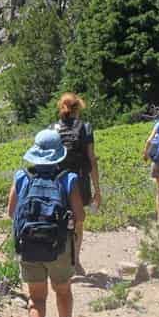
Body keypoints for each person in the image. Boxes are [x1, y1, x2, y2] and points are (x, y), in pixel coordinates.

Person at [7, 129, 86, 317]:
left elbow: (11, 212)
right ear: (58, 155)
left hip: (29, 247)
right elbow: (79, 216)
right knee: (62, 289)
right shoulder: (68, 179)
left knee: (36, 298)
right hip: (59, 247)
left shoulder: (21, 177)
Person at [52, 92, 100, 273]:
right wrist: (97, 189)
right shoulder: (85, 128)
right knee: (79, 220)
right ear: (78, 108)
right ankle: (76, 261)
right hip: (79, 180)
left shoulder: (53, 128)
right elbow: (92, 159)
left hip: (58, 181)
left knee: (58, 219)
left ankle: (60, 258)